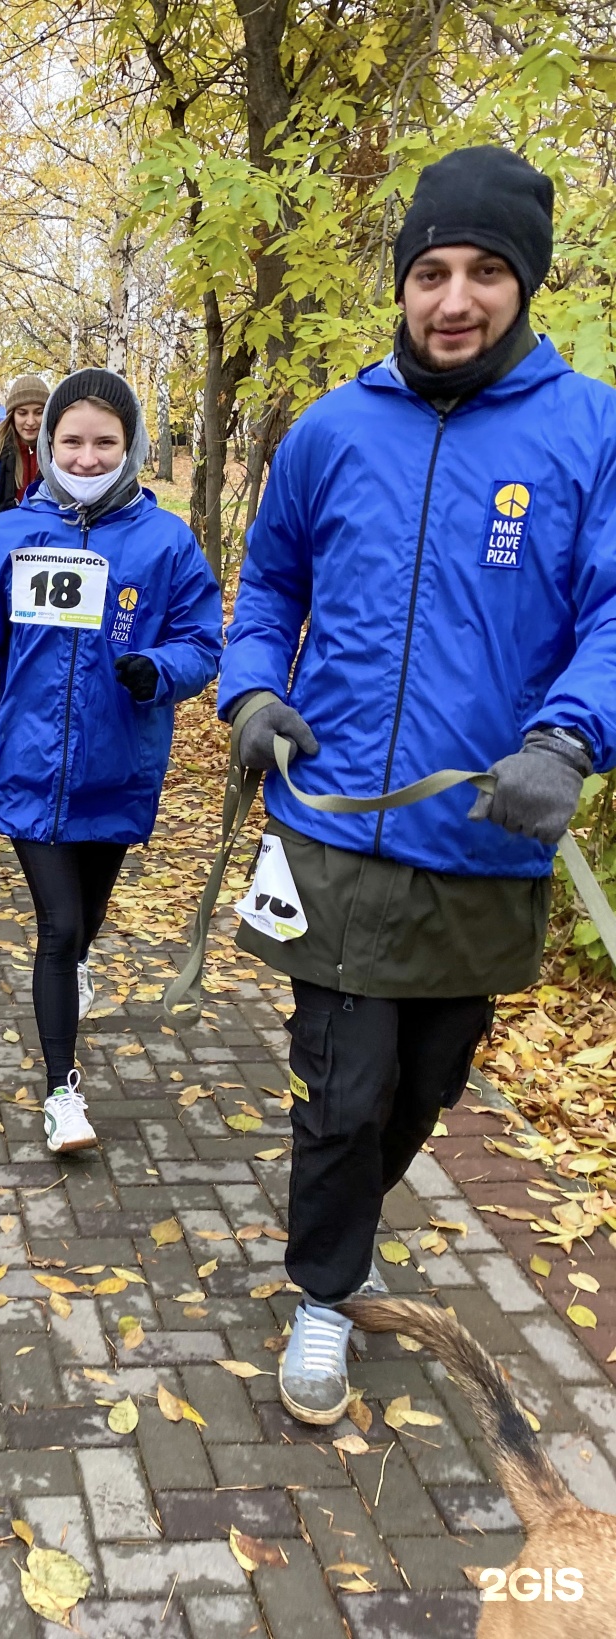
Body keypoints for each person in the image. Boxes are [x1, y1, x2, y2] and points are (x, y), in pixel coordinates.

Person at [218, 146, 616, 1426]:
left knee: (428, 1081)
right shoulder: (333, 429)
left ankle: (345, 1223)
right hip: (328, 821)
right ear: (403, 282)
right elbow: (270, 582)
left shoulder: (589, 430)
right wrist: (250, 689)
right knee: (340, 1082)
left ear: (526, 284)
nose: (454, 298)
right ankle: (324, 1289)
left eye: (485, 271)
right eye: (432, 270)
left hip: (490, 832)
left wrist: (568, 738)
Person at [0, 368, 222, 1150]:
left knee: (84, 924)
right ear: (46, 443)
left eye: (105, 442)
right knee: (58, 928)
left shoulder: (166, 542)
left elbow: (201, 641)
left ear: (131, 447)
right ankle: (62, 1092)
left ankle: (74, 968)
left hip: (116, 774)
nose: (86, 456)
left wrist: (159, 669)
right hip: (28, 772)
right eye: (71, 440)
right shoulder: (9, 536)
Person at [0, 375, 49, 512]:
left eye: (38, 413)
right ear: (12, 416)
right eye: (22, 413)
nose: (30, 421)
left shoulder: (60, 457)